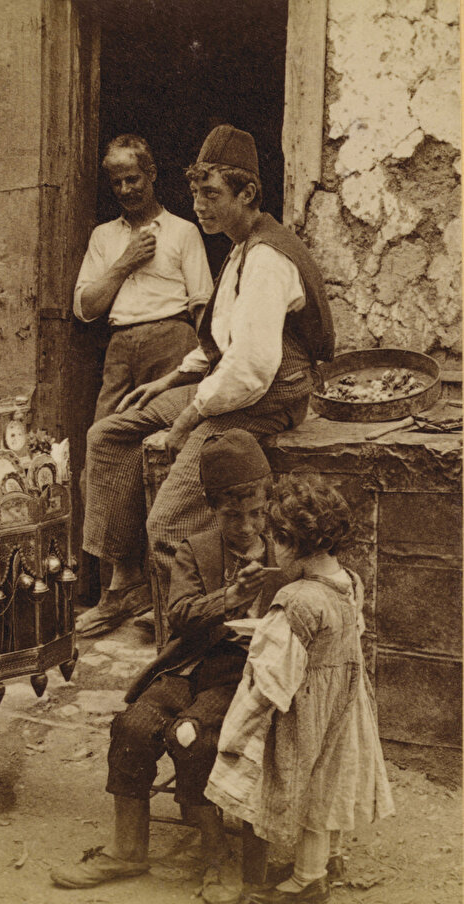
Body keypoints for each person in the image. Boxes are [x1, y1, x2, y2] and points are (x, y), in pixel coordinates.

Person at [82, 124, 334, 644]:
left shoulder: (266, 257)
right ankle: (125, 582)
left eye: (212, 194)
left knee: (166, 525)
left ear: (247, 193)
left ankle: (190, 634)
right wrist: (169, 381)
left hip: (266, 399)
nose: (199, 205)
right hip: (233, 386)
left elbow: (250, 369)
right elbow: (222, 341)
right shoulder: (240, 249)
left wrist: (188, 418)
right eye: (196, 193)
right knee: (108, 434)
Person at [51, 430, 289, 903]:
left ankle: (216, 856)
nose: (246, 525)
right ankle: (128, 849)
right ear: (211, 508)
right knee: (133, 726)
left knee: (193, 738)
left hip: (248, 674)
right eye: (232, 515)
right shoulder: (194, 549)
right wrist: (230, 597)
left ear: (268, 503)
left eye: (256, 513)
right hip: (192, 663)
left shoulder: (285, 553)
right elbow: (179, 615)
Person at [206, 473, 395, 904]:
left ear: (289, 543)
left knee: (311, 788)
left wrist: (240, 725)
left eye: (274, 539)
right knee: (333, 780)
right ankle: (330, 858)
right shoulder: (349, 581)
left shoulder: (296, 600)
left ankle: (307, 880)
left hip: (308, 710)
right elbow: (348, 636)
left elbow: (273, 676)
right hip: (345, 701)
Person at [74, 134, 213, 637]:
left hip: (172, 342)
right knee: (104, 459)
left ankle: (169, 595)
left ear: (152, 174)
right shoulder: (104, 237)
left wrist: (203, 366)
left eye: (133, 178)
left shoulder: (183, 231)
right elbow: (86, 308)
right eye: (117, 182)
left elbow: (203, 305)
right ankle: (123, 582)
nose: (126, 189)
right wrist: (126, 261)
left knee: (165, 460)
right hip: (120, 350)